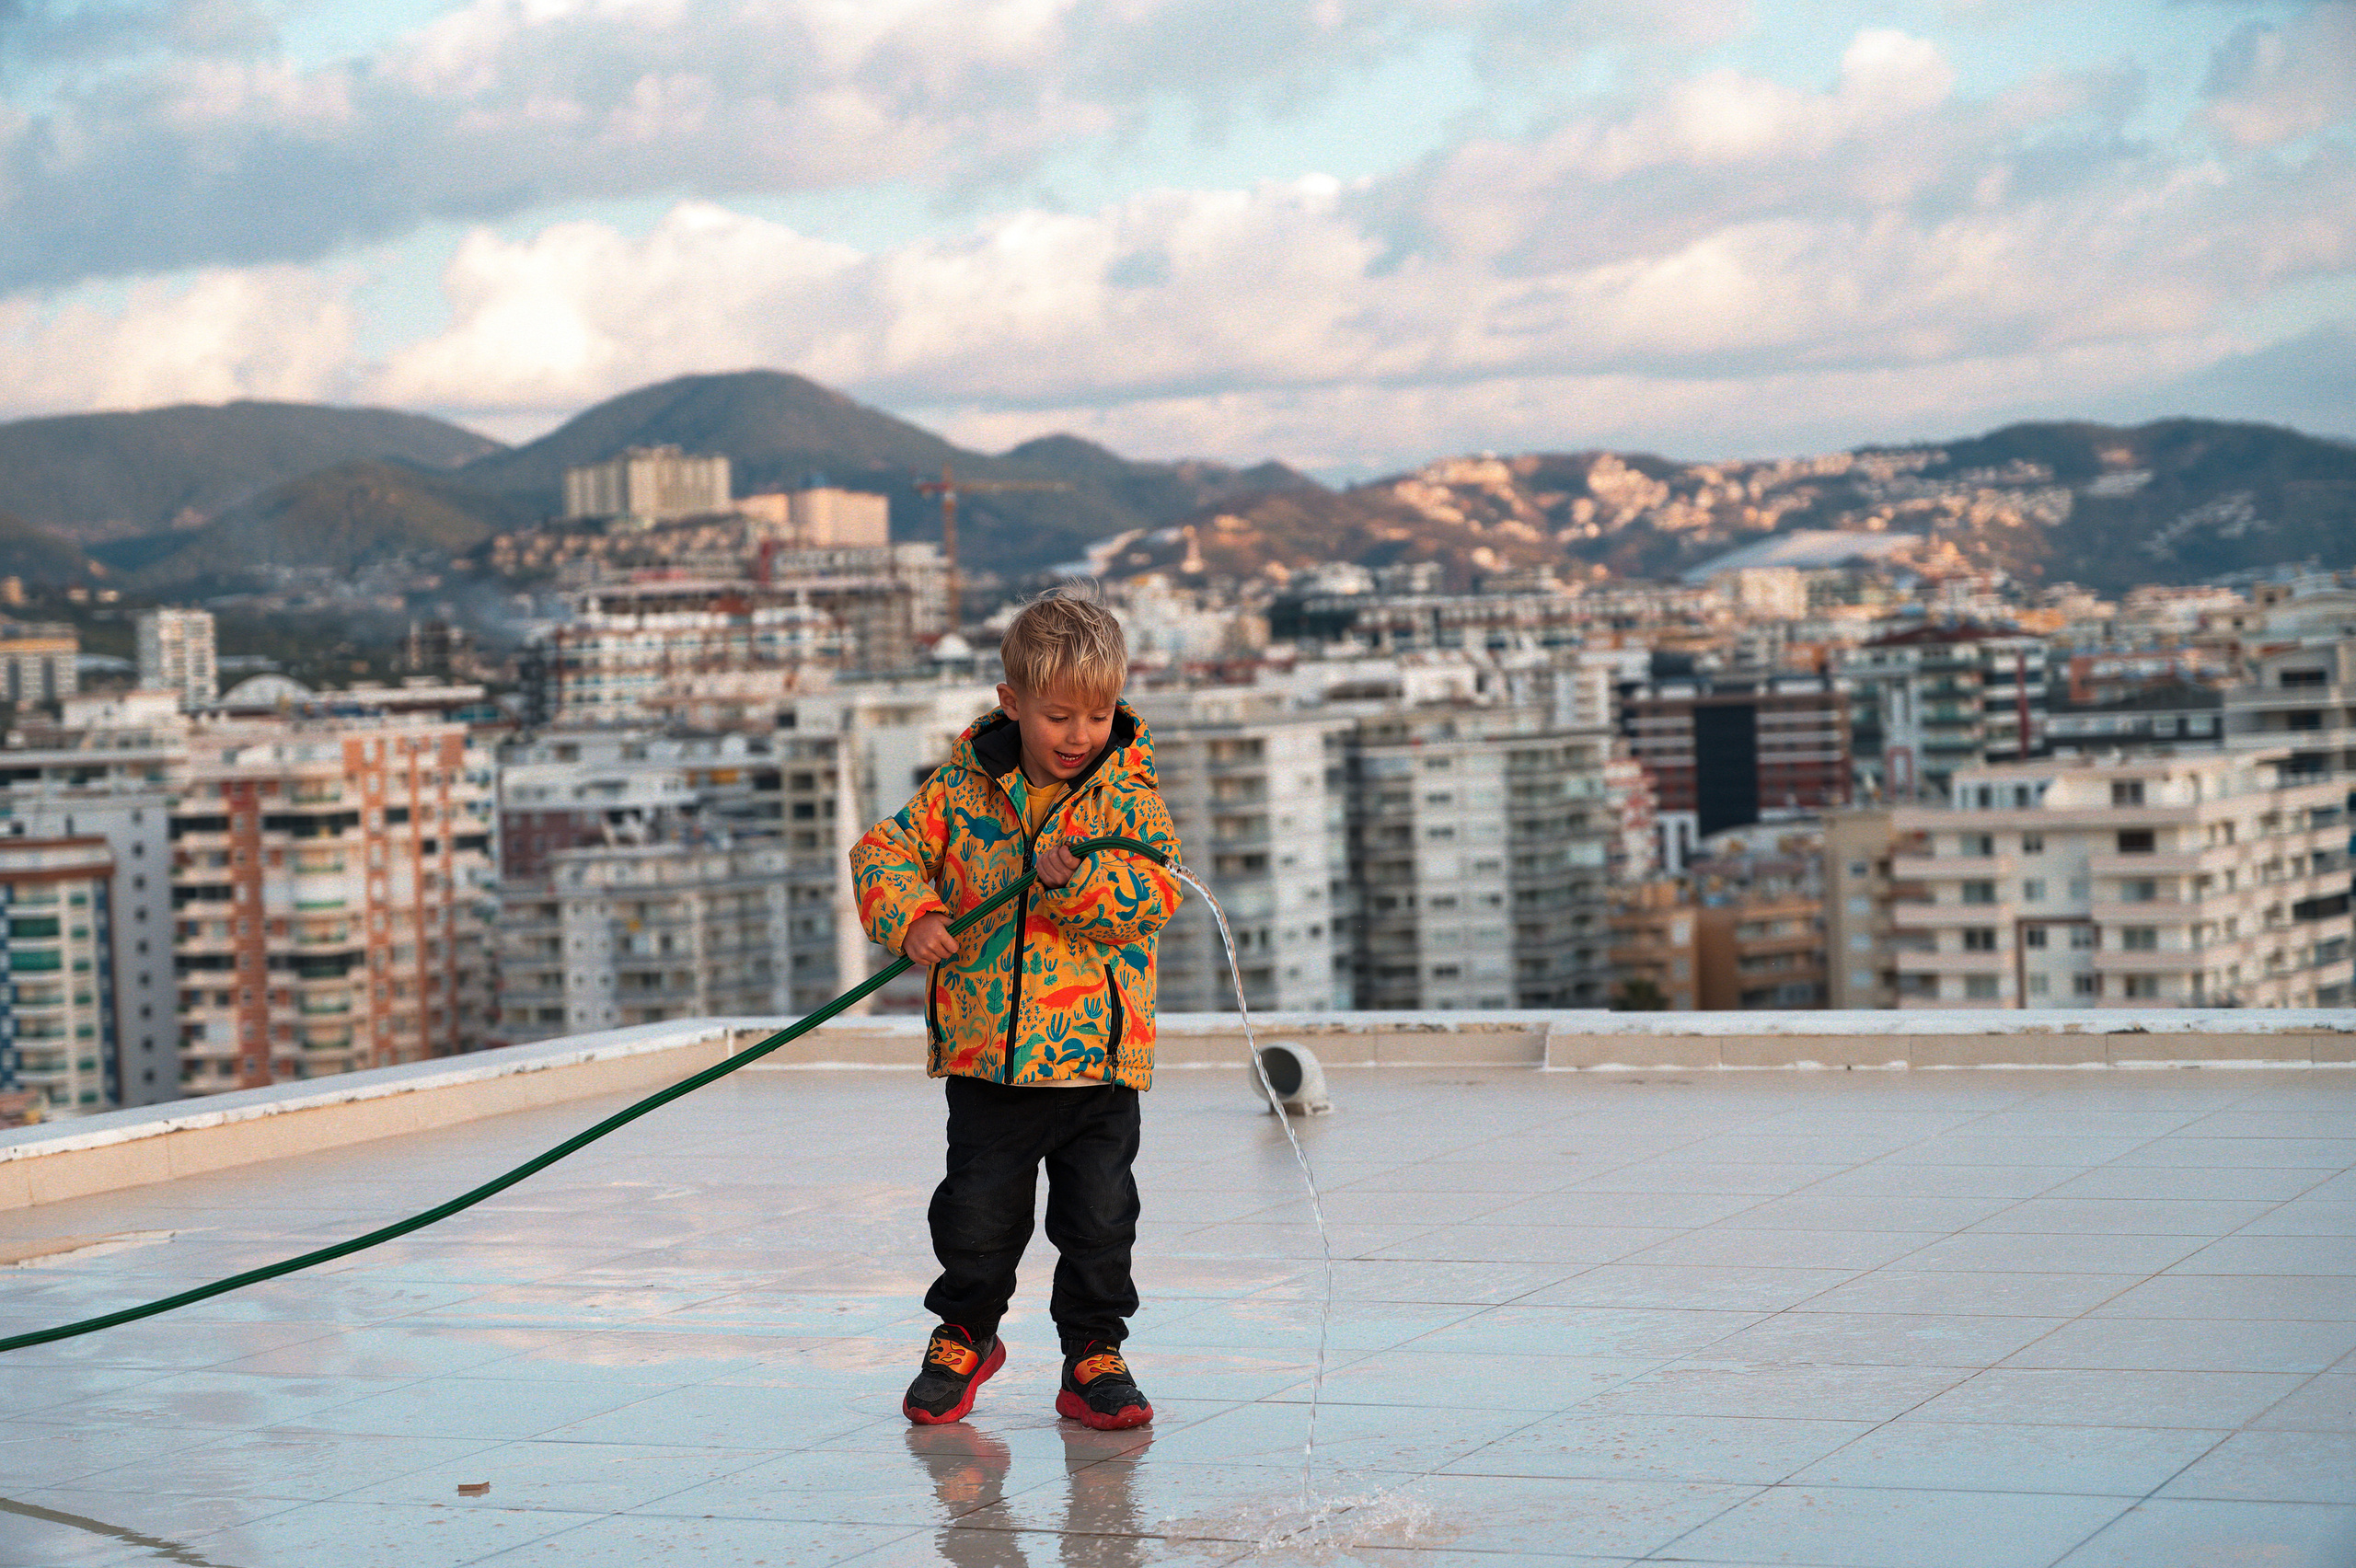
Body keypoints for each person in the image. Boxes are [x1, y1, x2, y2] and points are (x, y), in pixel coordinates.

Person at [851, 593, 1182, 1431]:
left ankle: (1094, 1356)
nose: (1080, 735)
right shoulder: (960, 793)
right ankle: (965, 1334)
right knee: (976, 1213)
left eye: (1098, 715)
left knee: (1101, 1220)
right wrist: (914, 915)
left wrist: (1077, 882)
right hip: (988, 1060)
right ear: (1012, 704)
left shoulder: (1128, 798)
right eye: (1059, 716)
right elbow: (884, 852)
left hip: (1098, 1065)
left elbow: (1153, 896)